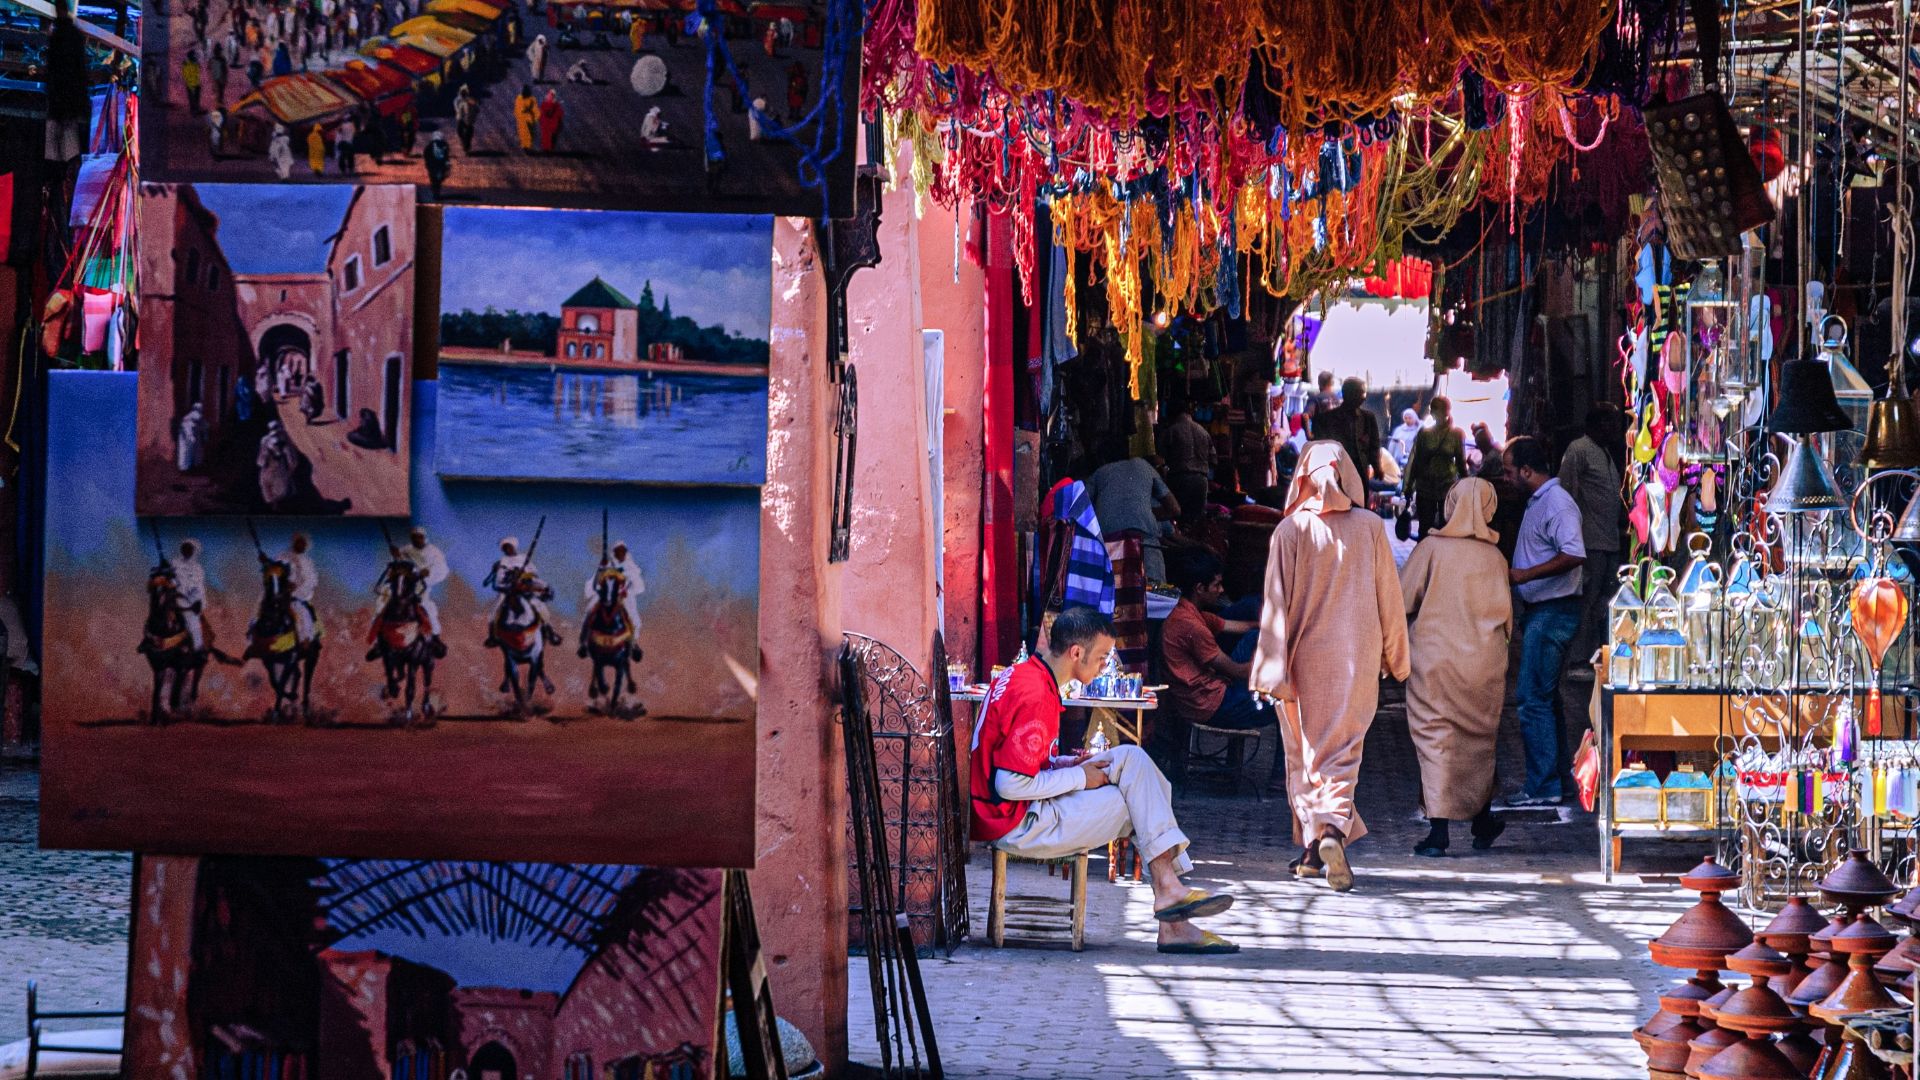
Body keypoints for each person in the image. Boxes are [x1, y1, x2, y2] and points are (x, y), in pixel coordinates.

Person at [970, 606, 1239, 955]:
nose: (1103, 667)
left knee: (1133, 759)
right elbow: (1010, 784)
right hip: (1017, 823)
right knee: (1139, 801)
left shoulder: (1027, 675)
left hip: (1022, 809)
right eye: (1100, 658)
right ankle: (1172, 911)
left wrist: (1068, 762)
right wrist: (1080, 777)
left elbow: (1023, 761)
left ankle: (1171, 896)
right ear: (1076, 653)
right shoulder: (1036, 694)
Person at [1250, 441, 1409, 892]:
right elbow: (1389, 601)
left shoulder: (1288, 531)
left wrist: (1267, 671)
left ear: (1300, 477)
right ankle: (1333, 833)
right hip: (1355, 663)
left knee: (1302, 755)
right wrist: (1397, 659)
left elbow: (1273, 607)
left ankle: (1310, 852)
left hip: (1299, 666)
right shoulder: (1371, 528)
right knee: (1341, 754)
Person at [1400, 478, 1512, 857]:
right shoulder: (1495, 558)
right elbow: (1508, 621)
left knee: (1436, 741)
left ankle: (1439, 832)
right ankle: (1481, 820)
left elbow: (1402, 601)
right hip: (1483, 663)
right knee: (1480, 742)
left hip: (1434, 661)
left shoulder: (1431, 549)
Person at [1502, 435, 1587, 808]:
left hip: (1554, 609)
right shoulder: (1540, 501)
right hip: (1544, 609)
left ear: (1526, 470)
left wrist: (1526, 575)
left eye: (1508, 471)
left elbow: (1573, 553)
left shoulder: (1556, 502)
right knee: (1545, 698)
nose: (1505, 478)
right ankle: (1560, 781)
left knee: (1532, 697)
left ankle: (1543, 786)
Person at [1161, 551, 1276, 783]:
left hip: (1214, 691)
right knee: (1285, 703)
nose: (1221, 590)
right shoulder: (1191, 626)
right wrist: (1268, 662)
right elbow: (1236, 670)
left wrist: (1271, 627)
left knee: (1255, 633)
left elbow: (1240, 627)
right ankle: (1280, 776)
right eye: (1217, 585)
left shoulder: (1190, 613)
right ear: (1200, 588)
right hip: (1210, 705)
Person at [1560, 404, 1624, 680]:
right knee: (1586, 602)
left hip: (1609, 541)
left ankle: (1596, 655)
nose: (1614, 429)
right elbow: (1567, 494)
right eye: (1609, 423)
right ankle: (1577, 660)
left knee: (1602, 603)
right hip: (1590, 542)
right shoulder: (1579, 450)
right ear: (1596, 425)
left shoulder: (1605, 452)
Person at [1083, 446, 1180, 583]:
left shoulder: (1099, 473)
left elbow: (1082, 507)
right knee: (1155, 593)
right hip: (1145, 542)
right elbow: (1174, 509)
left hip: (1109, 541)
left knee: (1113, 593)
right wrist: (1143, 514)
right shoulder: (1145, 467)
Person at [1403, 396, 1468, 536]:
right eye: (1434, 409)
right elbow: (1415, 462)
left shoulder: (1457, 434)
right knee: (1425, 529)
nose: (1435, 413)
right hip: (1425, 488)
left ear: (1447, 411)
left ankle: (1442, 557)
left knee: (1446, 529)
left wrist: (1466, 487)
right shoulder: (1424, 434)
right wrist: (1408, 487)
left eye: (1438, 409)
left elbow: (1461, 463)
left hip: (1447, 489)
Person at [1309, 377, 1383, 490]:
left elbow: (1374, 445)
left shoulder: (1368, 418)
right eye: (1361, 393)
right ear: (1348, 395)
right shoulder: (1326, 419)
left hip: (1360, 474)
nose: (1364, 397)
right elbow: (1320, 449)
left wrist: (1377, 467)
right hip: (1336, 475)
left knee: (1360, 505)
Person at [483, 537, 557, 645]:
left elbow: (534, 575)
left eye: (509, 546)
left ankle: (550, 632)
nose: (507, 549)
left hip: (525, 589)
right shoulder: (502, 562)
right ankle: (492, 636)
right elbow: (499, 581)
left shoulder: (524, 558)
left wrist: (540, 585)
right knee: (494, 611)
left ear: (514, 547)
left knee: (540, 606)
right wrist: (509, 581)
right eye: (505, 548)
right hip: (507, 591)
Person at [580, 540, 645, 655]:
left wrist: (627, 590)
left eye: (623, 551)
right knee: (590, 611)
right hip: (605, 597)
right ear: (614, 553)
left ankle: (633, 644)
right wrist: (601, 569)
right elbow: (593, 586)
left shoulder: (631, 568)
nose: (620, 553)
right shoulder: (607, 565)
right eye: (618, 551)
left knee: (633, 618)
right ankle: (584, 642)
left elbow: (640, 588)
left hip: (623, 599)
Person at [1162, 404, 1213, 526]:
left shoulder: (1171, 431)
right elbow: (1213, 459)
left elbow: (1161, 458)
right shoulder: (1204, 432)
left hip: (1179, 479)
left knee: (1180, 520)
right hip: (1202, 480)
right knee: (1196, 522)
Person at [397, 527, 448, 648]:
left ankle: (436, 637)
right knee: (384, 608)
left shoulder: (434, 552)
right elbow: (400, 561)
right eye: (414, 537)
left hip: (422, 589)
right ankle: (378, 643)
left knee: (429, 609)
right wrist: (396, 555)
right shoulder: (406, 550)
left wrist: (429, 572)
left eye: (420, 537)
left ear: (424, 538)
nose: (417, 539)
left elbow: (443, 570)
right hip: (404, 588)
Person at [279, 533, 320, 646]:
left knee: (302, 613)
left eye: (303, 543)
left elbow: (311, 581)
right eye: (298, 542)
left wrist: (296, 588)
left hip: (298, 596)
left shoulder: (308, 562)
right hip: (281, 594)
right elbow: (275, 569)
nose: (301, 545)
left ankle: (304, 640)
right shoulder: (283, 557)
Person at [174, 540, 209, 651]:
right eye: (184, 548)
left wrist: (197, 602)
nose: (186, 551)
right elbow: (172, 578)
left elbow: (197, 588)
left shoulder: (198, 569)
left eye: (189, 549)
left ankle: (198, 649)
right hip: (175, 595)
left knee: (193, 623)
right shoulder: (175, 563)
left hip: (191, 600)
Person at [174, 403, 207, 472]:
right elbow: (202, 423)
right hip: (187, 430)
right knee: (188, 449)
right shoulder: (196, 414)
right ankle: (186, 467)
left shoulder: (190, 414)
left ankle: (183, 466)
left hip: (184, 431)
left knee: (183, 449)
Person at [423, 129, 451, 200]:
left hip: (435, 165)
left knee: (435, 179)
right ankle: (436, 193)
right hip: (438, 165)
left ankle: (435, 192)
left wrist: (427, 163)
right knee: (436, 180)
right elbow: (446, 155)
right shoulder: (443, 145)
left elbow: (426, 154)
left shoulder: (432, 145)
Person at [454, 85, 478, 152]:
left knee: (468, 133)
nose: (463, 94)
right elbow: (457, 109)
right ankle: (464, 143)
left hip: (468, 119)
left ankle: (467, 145)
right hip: (462, 119)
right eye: (462, 93)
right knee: (460, 132)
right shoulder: (457, 100)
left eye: (464, 93)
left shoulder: (470, 100)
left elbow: (476, 109)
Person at [514, 85, 538, 151]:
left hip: (529, 119)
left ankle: (527, 146)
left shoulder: (532, 99)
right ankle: (525, 146)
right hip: (523, 119)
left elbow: (535, 109)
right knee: (523, 133)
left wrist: (535, 117)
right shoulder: (519, 98)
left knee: (530, 134)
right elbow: (518, 109)